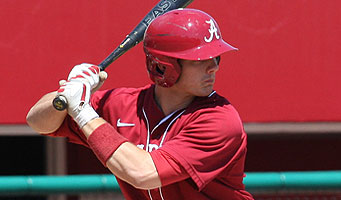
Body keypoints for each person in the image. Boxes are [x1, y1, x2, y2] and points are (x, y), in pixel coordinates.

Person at [26, 8, 254, 200]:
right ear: (164, 66)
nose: (213, 67)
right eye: (201, 59)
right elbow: (38, 121)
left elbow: (143, 173)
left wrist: (83, 112)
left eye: (216, 58)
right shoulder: (122, 104)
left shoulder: (220, 120)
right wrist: (66, 96)